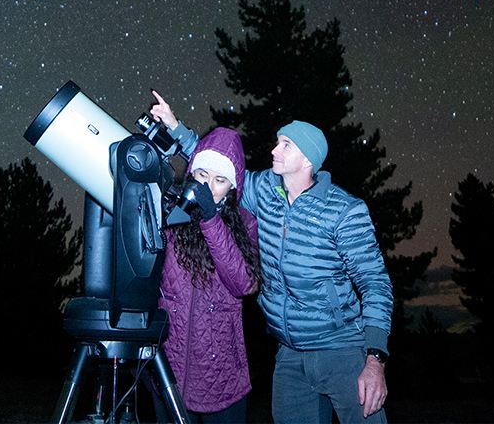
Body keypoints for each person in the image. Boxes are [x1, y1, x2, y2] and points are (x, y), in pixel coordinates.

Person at [150, 91, 392, 424]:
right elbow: (217, 164)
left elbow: (375, 283)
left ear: (308, 159)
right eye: (277, 142)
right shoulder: (264, 190)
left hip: (342, 351)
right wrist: (176, 128)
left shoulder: (345, 211)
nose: (274, 150)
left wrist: (375, 358)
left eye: (285, 145)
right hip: (289, 354)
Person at [156, 125, 261, 424]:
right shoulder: (170, 218)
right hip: (168, 367)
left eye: (219, 180)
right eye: (202, 175)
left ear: (232, 187)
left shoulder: (244, 222)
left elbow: (244, 284)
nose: (208, 186)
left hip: (220, 372)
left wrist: (211, 220)